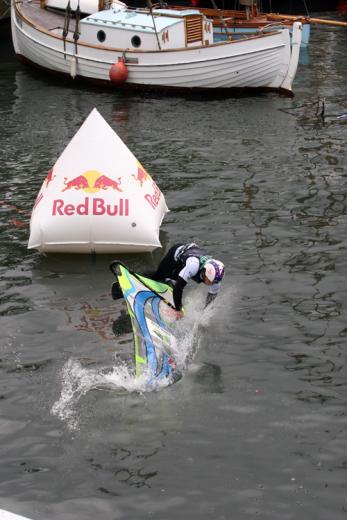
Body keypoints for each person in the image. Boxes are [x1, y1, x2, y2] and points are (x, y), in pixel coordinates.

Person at [151, 242, 225, 318]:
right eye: (209, 281)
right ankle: (142, 275)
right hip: (176, 254)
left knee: (174, 282)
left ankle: (169, 281)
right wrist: (178, 310)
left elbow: (209, 302)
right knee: (158, 277)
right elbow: (178, 288)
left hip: (188, 259)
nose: (211, 284)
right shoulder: (193, 265)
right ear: (205, 272)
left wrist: (202, 316)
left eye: (213, 282)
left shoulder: (216, 279)